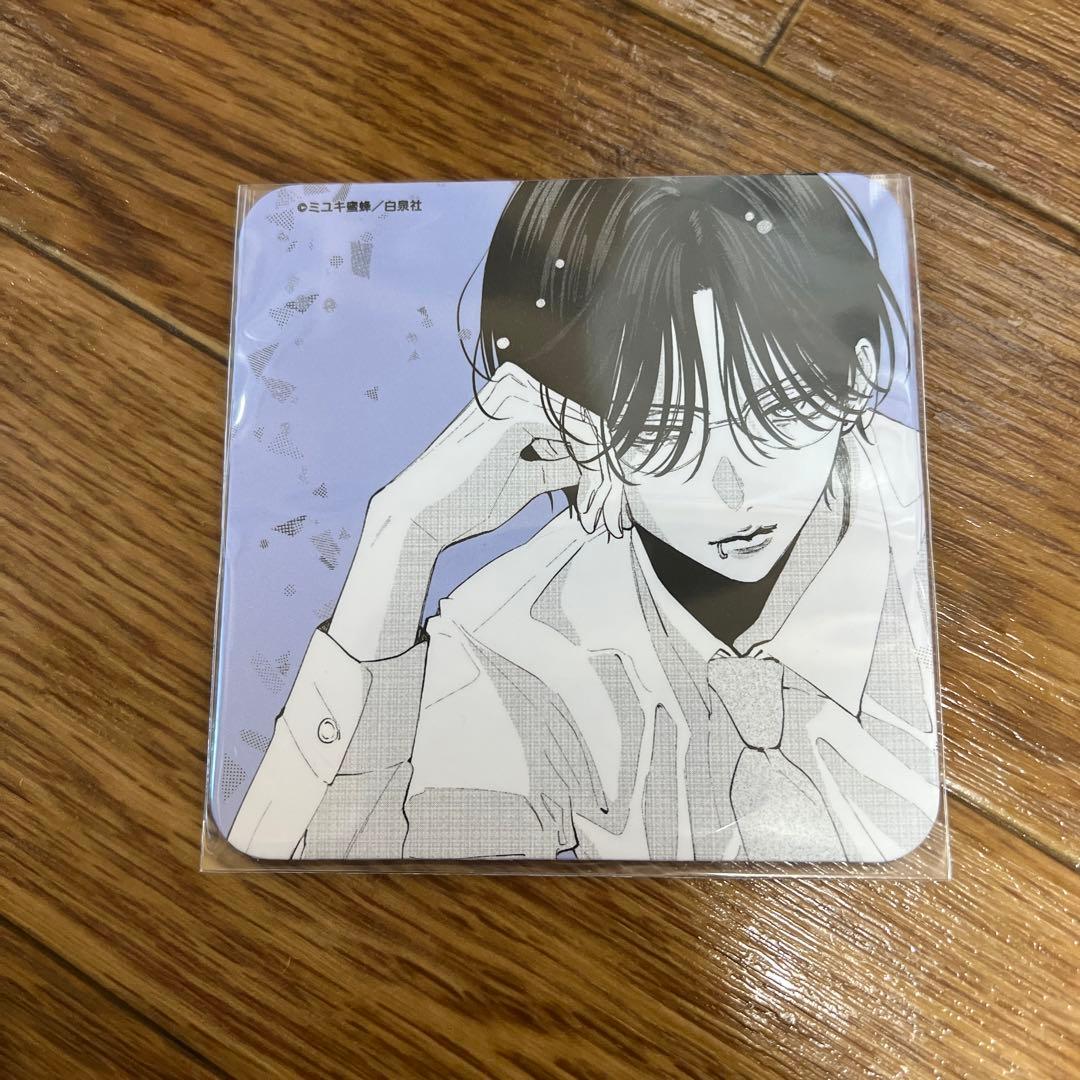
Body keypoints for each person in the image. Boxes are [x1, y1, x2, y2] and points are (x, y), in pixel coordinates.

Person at [228, 175, 939, 863]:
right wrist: (401, 539)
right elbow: (311, 875)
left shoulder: (928, 543)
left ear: (856, 377)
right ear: (571, 424)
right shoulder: (517, 636)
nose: (733, 490)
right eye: (660, 432)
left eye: (780, 409)